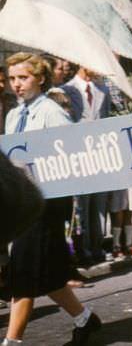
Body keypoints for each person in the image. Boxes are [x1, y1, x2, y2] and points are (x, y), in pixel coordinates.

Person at [2, 52, 102, 346]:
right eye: (12, 78)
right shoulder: (13, 115)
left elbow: (71, 153)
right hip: (22, 202)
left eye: (23, 78)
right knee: (47, 273)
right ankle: (85, 319)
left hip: (46, 204)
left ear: (41, 78)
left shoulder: (51, 112)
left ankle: (12, 342)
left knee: (23, 273)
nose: (16, 84)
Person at [61, 66, 112, 266]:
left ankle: (97, 247)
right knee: (82, 205)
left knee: (99, 205)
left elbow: (106, 119)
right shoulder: (66, 90)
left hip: (100, 156)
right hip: (79, 156)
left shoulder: (102, 90)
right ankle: (84, 250)